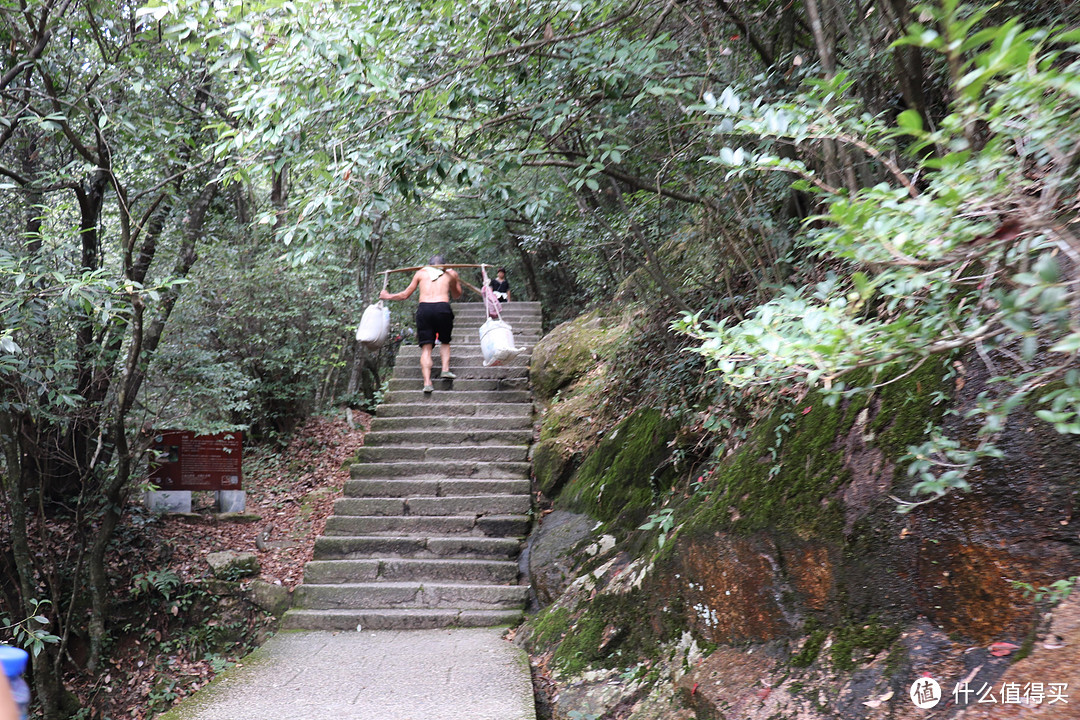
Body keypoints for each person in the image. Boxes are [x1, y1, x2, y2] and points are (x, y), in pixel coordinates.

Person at [380, 255, 463, 393]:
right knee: (445, 341)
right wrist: (455, 279)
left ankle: (427, 382)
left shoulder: (420, 273)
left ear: (429, 265)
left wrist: (387, 296)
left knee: (426, 347)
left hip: (424, 309)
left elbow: (405, 295)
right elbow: (456, 295)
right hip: (442, 308)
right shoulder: (451, 273)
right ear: (444, 265)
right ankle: (445, 370)